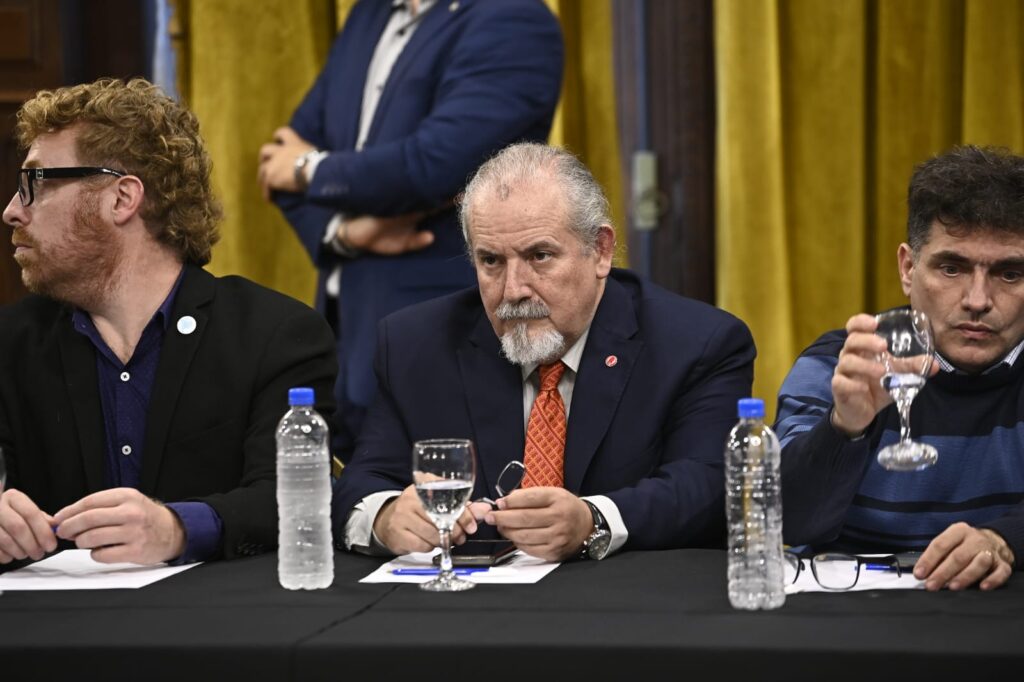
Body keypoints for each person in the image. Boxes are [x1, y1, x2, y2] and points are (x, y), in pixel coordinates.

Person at [331, 143, 755, 561]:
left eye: (540, 255)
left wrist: (593, 520)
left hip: (630, 612)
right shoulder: (416, 344)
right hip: (470, 613)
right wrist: (386, 517)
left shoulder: (698, 344)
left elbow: (708, 487)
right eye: (491, 261)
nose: (514, 290)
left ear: (600, 251)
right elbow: (361, 481)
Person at [0, 78, 337, 566]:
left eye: (35, 183)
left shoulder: (275, 335)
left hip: (218, 626)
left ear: (121, 198)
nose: (12, 210)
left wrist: (177, 528)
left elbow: (296, 498)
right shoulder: (12, 344)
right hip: (51, 628)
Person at [256, 0, 563, 460]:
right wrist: (346, 231)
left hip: (443, 337)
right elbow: (279, 158)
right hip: (345, 332)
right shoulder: (370, 14)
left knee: (448, 516)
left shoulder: (512, 18)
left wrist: (308, 169)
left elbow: (434, 165)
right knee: (359, 512)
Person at [775, 145, 1024, 591]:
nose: (978, 300)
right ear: (908, 269)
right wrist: (843, 428)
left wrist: (1004, 539)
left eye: (1009, 274)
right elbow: (786, 524)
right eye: (952, 268)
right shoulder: (838, 364)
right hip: (855, 624)